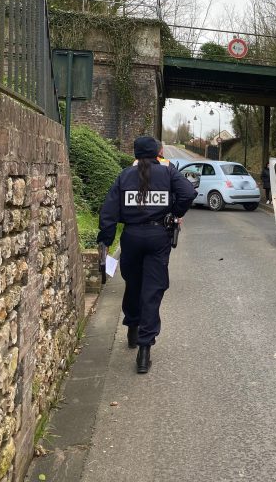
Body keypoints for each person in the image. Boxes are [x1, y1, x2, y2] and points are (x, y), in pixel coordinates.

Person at [97, 136, 196, 374]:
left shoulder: (124, 176)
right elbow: (188, 193)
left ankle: (132, 328)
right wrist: (173, 212)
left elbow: (109, 212)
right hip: (158, 236)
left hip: (131, 237)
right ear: (157, 153)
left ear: (136, 154)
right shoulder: (167, 173)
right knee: (152, 290)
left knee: (133, 283)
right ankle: (144, 350)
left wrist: (105, 242)